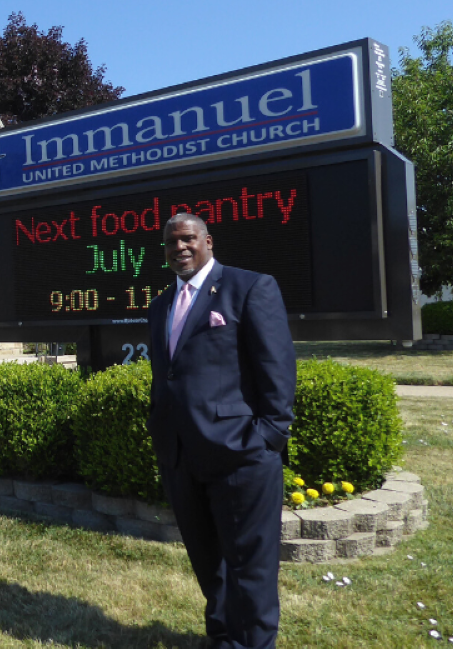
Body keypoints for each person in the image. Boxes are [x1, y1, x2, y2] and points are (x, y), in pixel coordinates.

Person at [147, 212, 296, 649]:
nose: (180, 248)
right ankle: (223, 637)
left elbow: (276, 368)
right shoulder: (160, 306)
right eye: (172, 242)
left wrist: (269, 436)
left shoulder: (249, 288)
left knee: (250, 567)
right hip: (181, 457)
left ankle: (252, 643)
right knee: (209, 562)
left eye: (188, 238)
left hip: (241, 456)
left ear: (208, 241)